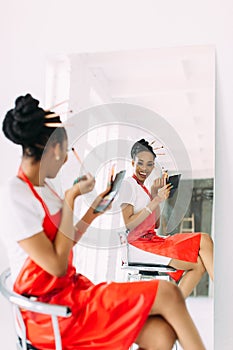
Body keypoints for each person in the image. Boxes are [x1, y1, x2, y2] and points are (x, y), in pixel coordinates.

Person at [0, 94, 206, 350]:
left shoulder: (45, 188)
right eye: (66, 152)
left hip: (71, 292)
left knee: (161, 334)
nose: (66, 160)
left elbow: (66, 238)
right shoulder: (15, 195)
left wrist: (96, 207)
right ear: (54, 148)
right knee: (169, 293)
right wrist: (71, 199)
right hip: (51, 312)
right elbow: (56, 265)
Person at [120, 139, 214, 298]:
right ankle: (226, 294)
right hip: (139, 244)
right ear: (132, 162)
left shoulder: (143, 188)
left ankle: (172, 307)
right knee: (203, 240)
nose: (144, 169)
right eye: (140, 163)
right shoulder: (128, 185)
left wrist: (155, 195)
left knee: (199, 264)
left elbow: (155, 224)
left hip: (152, 240)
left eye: (150, 164)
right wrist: (156, 200)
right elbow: (129, 222)